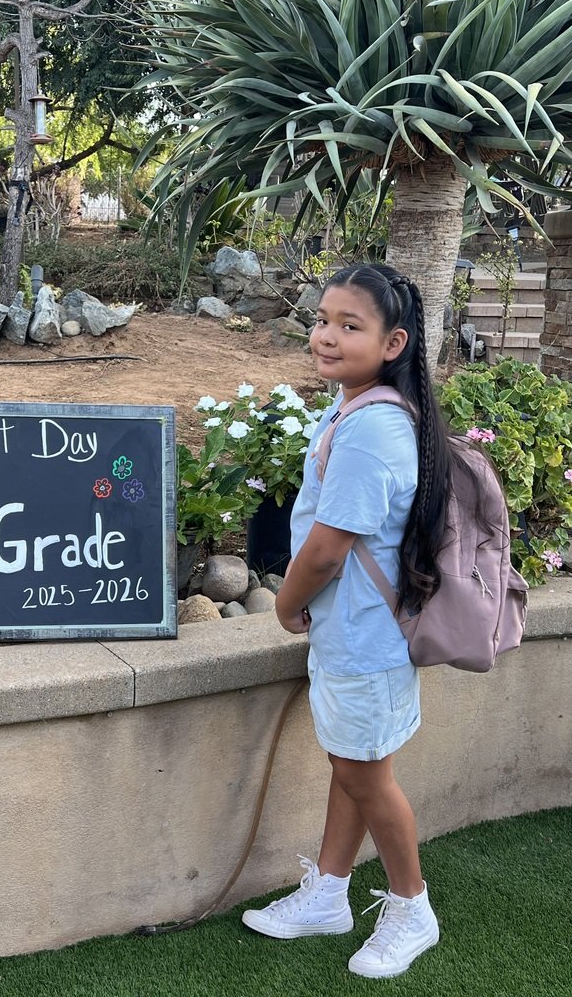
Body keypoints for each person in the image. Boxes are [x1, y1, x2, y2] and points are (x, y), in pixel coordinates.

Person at [242, 264, 451, 978]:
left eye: (349, 325)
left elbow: (329, 546)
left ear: (393, 342)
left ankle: (411, 905)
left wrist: (283, 600)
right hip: (358, 631)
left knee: (366, 775)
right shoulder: (357, 407)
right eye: (323, 319)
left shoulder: (373, 429)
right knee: (353, 765)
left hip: (365, 636)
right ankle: (330, 892)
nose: (326, 335)